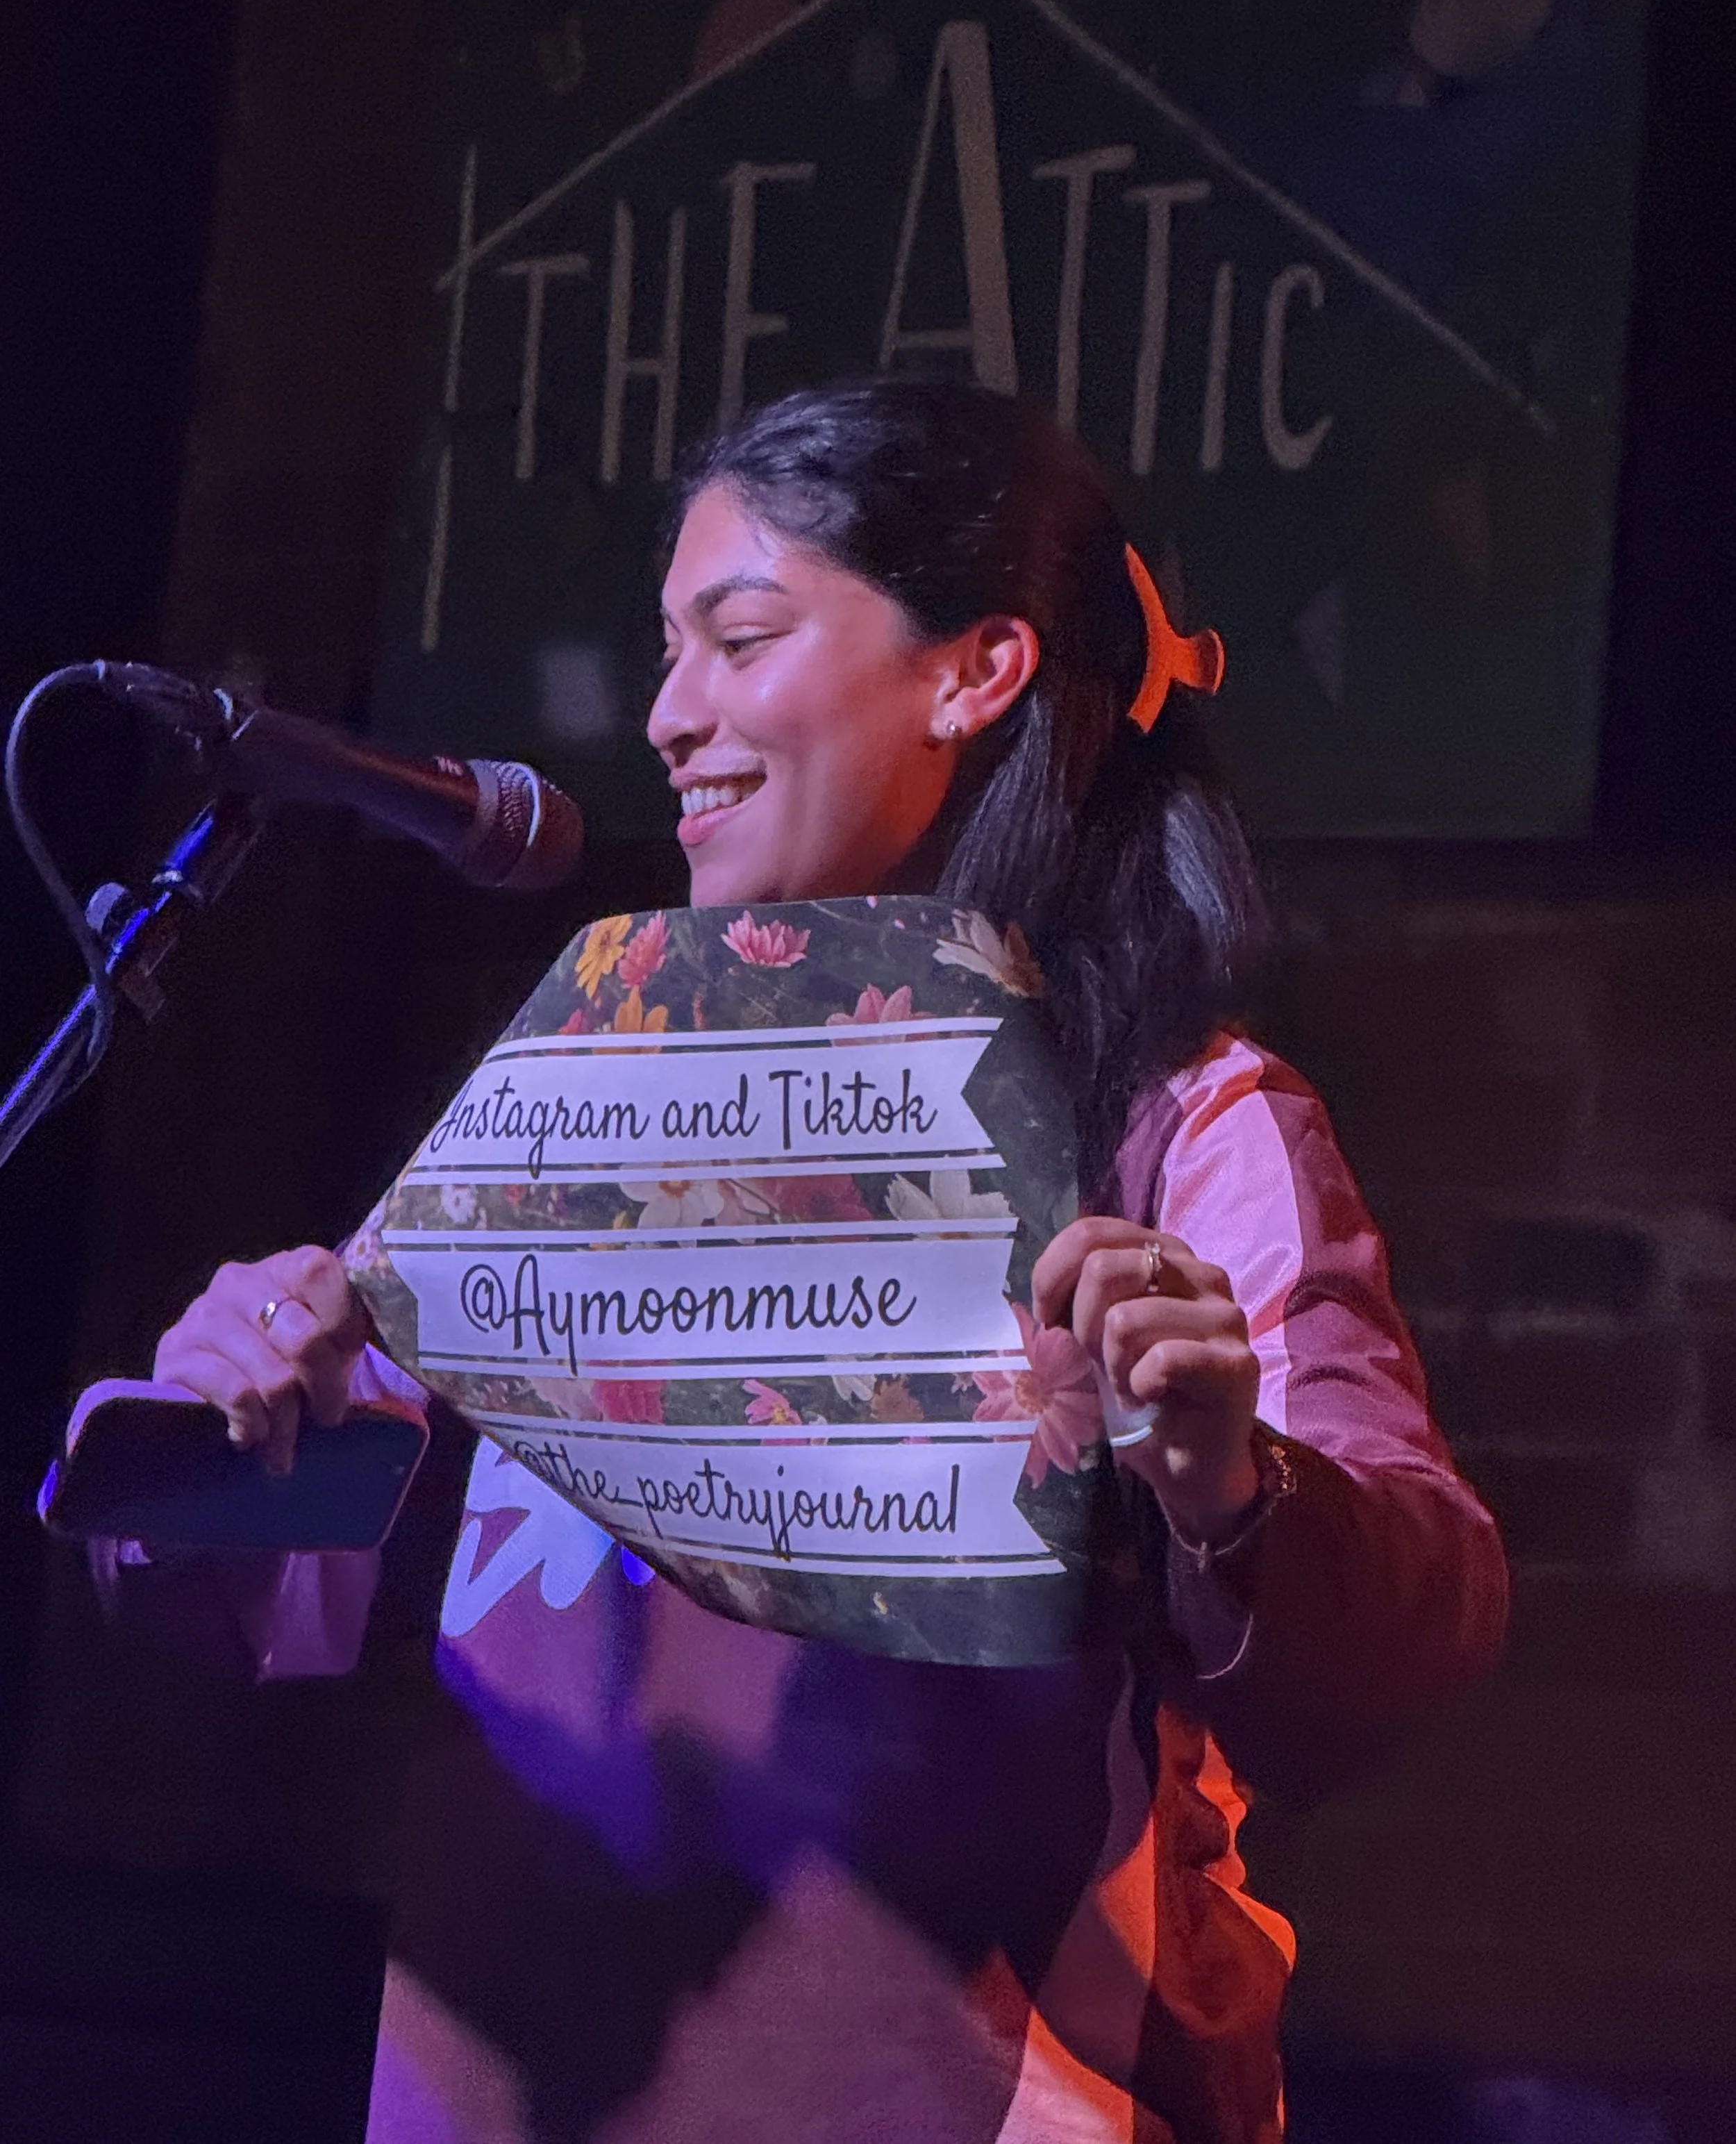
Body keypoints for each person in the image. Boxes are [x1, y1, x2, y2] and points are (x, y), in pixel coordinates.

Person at [74, 378, 1507, 2144]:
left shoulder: (1174, 1119)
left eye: (737, 640)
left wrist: (1226, 1481)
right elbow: (250, 1589)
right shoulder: (583, 1088)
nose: (670, 718)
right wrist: (220, 1431)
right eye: (664, 655)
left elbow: (1405, 1640)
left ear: (971, 670)